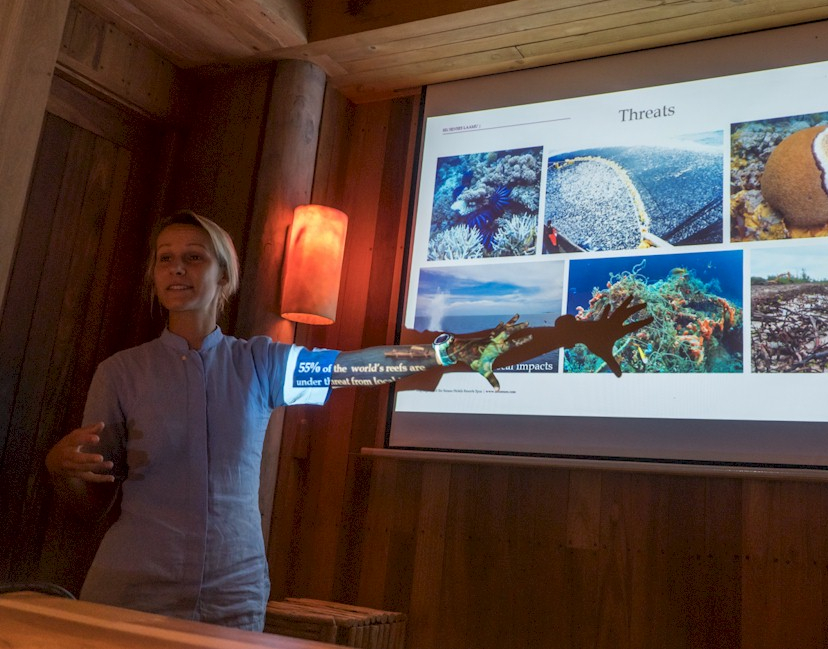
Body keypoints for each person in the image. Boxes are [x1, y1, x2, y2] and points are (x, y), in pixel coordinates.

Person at [44, 210, 649, 631]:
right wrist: (59, 466)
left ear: (223, 275)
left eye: (193, 258)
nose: (177, 270)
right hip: (131, 587)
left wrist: (548, 337)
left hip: (233, 589)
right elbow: (87, 498)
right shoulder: (120, 372)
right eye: (166, 260)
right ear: (154, 276)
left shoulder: (261, 363)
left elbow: (369, 366)